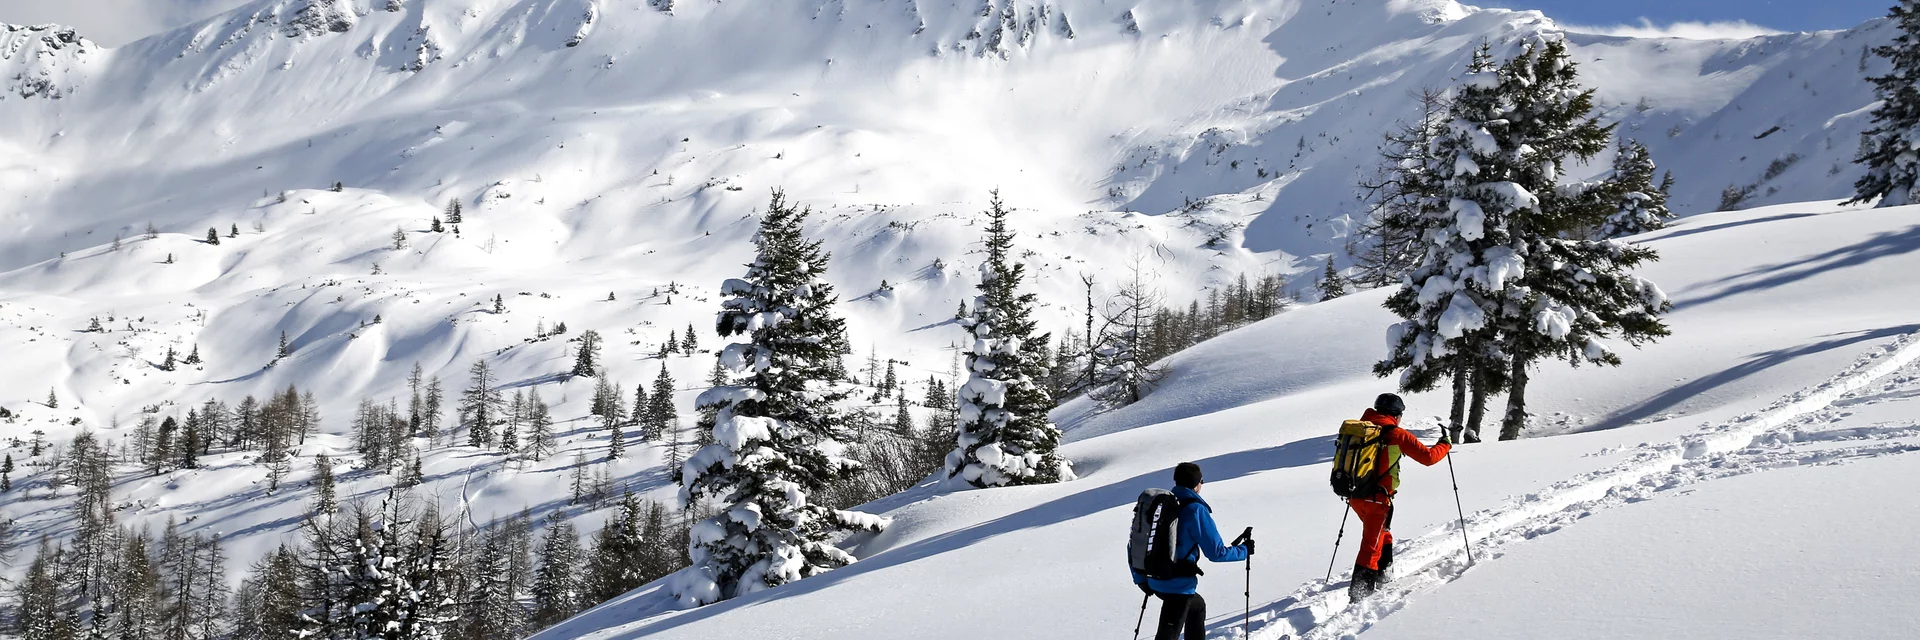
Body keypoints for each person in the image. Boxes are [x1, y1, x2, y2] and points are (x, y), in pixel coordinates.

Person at [1130, 462, 1252, 640]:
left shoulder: (1161, 507)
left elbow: (1136, 542)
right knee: (1168, 634)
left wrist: (1140, 579)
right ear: (1197, 484)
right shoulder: (1195, 510)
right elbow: (1216, 553)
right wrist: (1244, 551)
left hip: (1153, 581)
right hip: (1178, 585)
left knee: (1197, 606)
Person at [1349, 393, 1449, 599]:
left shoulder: (1359, 429)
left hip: (1355, 495)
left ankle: (1384, 575)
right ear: (1396, 414)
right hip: (1377, 499)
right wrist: (1445, 444)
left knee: (1381, 533)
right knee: (1371, 546)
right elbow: (1429, 458)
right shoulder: (1396, 434)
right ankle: (1359, 596)